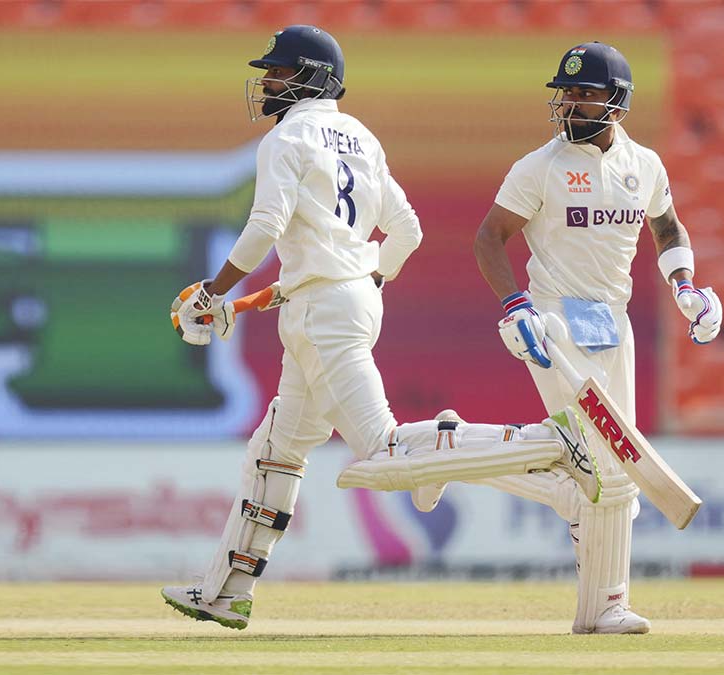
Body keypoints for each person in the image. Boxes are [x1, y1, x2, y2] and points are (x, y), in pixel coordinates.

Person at [160, 25, 602, 630]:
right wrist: (363, 281)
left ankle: (546, 444)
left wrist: (216, 292)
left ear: (313, 76)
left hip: (323, 313)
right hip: (341, 303)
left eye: (280, 72)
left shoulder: (286, 137)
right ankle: (226, 592)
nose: (268, 83)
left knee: (385, 452)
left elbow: (266, 224)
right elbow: (407, 231)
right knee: (276, 451)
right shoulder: (361, 138)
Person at [415, 42, 724, 635]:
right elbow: (489, 238)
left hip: (613, 321)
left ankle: (448, 448)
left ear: (617, 101)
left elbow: (667, 227)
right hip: (553, 319)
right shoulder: (540, 166)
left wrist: (686, 286)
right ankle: (607, 605)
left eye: (585, 93)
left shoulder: (646, 165)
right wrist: (516, 306)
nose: (571, 103)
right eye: (567, 93)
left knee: (606, 472)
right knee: (602, 461)